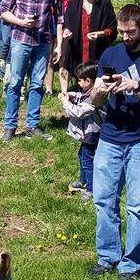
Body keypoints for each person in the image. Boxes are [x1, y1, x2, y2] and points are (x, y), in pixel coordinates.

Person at [87, 5, 140, 280]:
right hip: (110, 138)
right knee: (103, 200)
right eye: (122, 32)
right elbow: (96, 102)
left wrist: (137, 87)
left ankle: (131, 264)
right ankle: (107, 257)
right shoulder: (110, 54)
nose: (125, 37)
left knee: (135, 204)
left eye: (130, 32)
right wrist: (98, 91)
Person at [0, 0, 59, 141]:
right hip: (21, 39)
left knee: (37, 84)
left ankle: (32, 125)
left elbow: (59, 15)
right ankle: (10, 125)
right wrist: (21, 22)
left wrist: (57, 43)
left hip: (43, 41)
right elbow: (4, 11)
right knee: (15, 82)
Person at [58, 0, 116, 86]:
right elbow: (67, 24)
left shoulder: (104, 3)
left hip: (97, 49)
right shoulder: (74, 2)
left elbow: (112, 28)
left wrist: (100, 34)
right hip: (78, 48)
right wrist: (66, 32)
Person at [62, 61, 102, 195]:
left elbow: (78, 112)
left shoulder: (94, 98)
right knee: (82, 157)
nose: (78, 83)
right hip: (87, 134)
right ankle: (83, 180)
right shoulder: (88, 92)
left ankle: (91, 189)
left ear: (89, 81)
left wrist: (65, 102)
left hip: (91, 134)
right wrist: (71, 95)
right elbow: (80, 96)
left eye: (80, 80)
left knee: (88, 161)